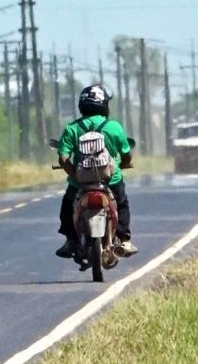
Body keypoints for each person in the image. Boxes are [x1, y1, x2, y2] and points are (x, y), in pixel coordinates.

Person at [55, 84, 137, 259]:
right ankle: (124, 240)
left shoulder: (72, 128)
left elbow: (62, 159)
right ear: (104, 105)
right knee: (121, 203)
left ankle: (70, 241)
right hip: (111, 180)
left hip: (80, 184)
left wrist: (75, 175)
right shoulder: (114, 127)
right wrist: (124, 164)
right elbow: (127, 156)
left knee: (67, 206)